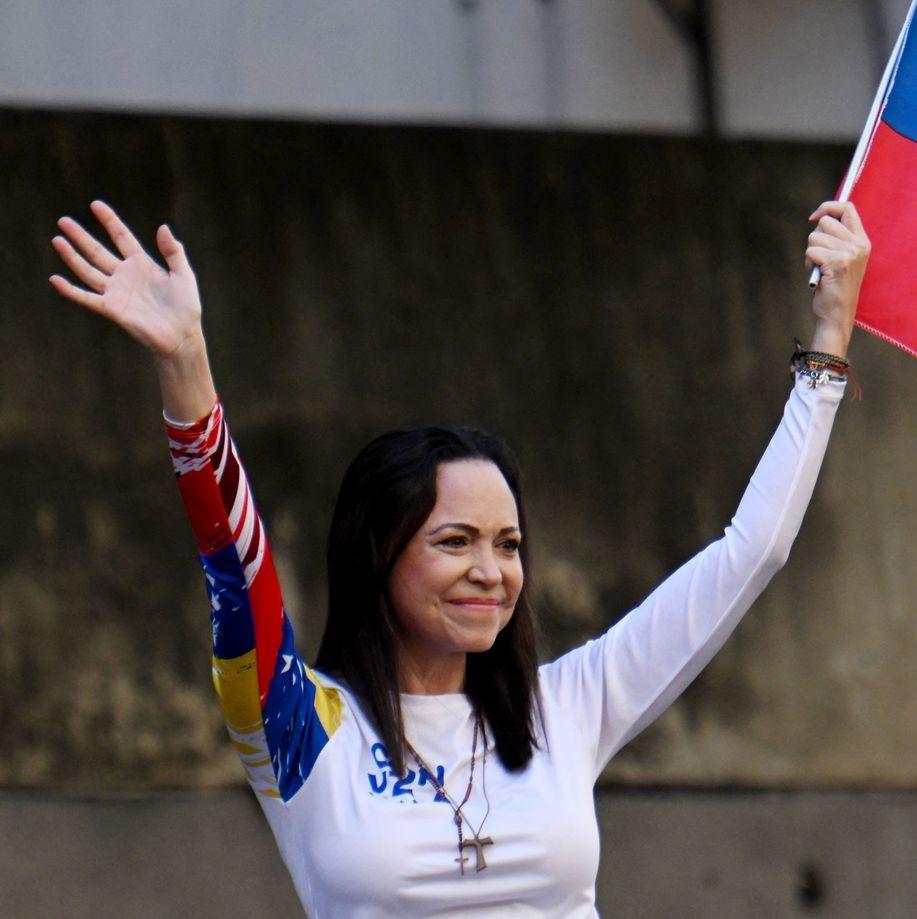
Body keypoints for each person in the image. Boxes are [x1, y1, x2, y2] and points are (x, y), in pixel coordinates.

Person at [48, 197, 869, 917]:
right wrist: (187, 365)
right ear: (379, 554)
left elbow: (752, 551)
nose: (492, 571)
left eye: (509, 544)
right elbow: (236, 563)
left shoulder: (567, 706)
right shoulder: (302, 726)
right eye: (455, 540)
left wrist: (829, 343)